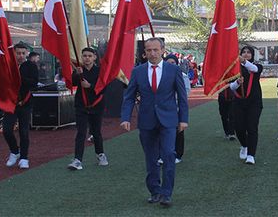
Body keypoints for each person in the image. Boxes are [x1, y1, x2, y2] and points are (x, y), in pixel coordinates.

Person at [120, 38, 189, 207]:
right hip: (147, 121)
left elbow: (182, 96)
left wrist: (184, 120)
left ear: (162, 50)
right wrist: (125, 118)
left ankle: (167, 193)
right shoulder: (138, 71)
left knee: (168, 155)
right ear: (144, 52)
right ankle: (155, 191)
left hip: (169, 120)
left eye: (155, 50)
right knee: (151, 159)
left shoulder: (174, 70)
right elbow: (129, 97)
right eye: (149, 50)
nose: (152, 53)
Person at [67, 47, 108, 170]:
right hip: (81, 106)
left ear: (94, 57)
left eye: (89, 56)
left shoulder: (100, 71)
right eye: (84, 56)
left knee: (96, 132)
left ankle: (100, 154)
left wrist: (90, 86)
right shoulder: (79, 70)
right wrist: (76, 74)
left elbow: (103, 88)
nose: (87, 58)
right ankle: (78, 160)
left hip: (96, 105)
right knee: (81, 132)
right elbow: (72, 83)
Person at [2, 43, 38, 169]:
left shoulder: (31, 66)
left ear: (27, 53)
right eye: (18, 53)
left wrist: (20, 78)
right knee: (6, 130)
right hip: (10, 103)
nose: (21, 56)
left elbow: (34, 83)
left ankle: (24, 157)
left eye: (23, 53)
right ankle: (14, 151)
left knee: (23, 131)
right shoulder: (8, 65)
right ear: (14, 53)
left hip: (25, 102)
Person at [229, 45, 263, 165]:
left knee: (252, 127)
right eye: (244, 52)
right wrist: (238, 82)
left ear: (252, 55)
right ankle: (244, 145)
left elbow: (254, 69)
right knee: (239, 128)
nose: (246, 54)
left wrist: (243, 62)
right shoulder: (234, 69)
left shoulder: (257, 66)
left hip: (254, 102)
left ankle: (251, 155)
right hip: (239, 102)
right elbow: (231, 87)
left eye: (249, 52)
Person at [164, 53, 191, 164]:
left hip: (177, 107)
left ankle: (178, 154)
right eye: (168, 63)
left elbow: (186, 92)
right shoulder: (161, 75)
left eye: (173, 63)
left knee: (177, 131)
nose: (170, 65)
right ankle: (163, 154)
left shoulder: (182, 76)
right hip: (164, 108)